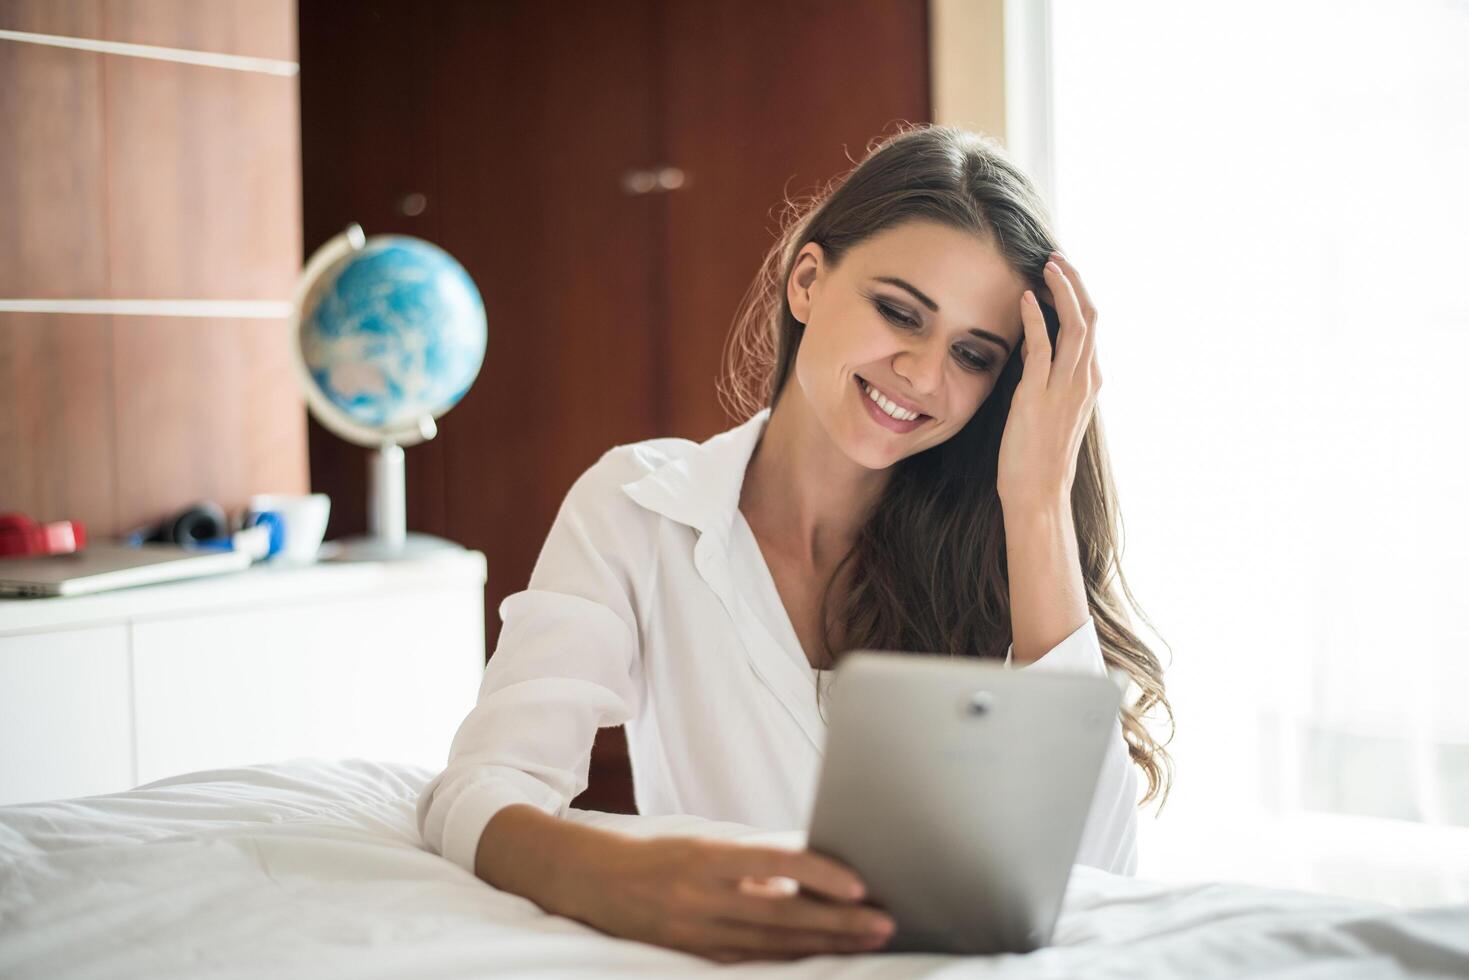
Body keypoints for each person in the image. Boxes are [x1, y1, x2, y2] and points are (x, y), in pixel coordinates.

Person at [416, 123, 1174, 964]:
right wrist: (624, 876)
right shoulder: (638, 509)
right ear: (808, 280)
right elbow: (482, 787)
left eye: (971, 354)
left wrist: (1035, 505)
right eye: (897, 312)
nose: (923, 375)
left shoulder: (1002, 551)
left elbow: (1100, 874)